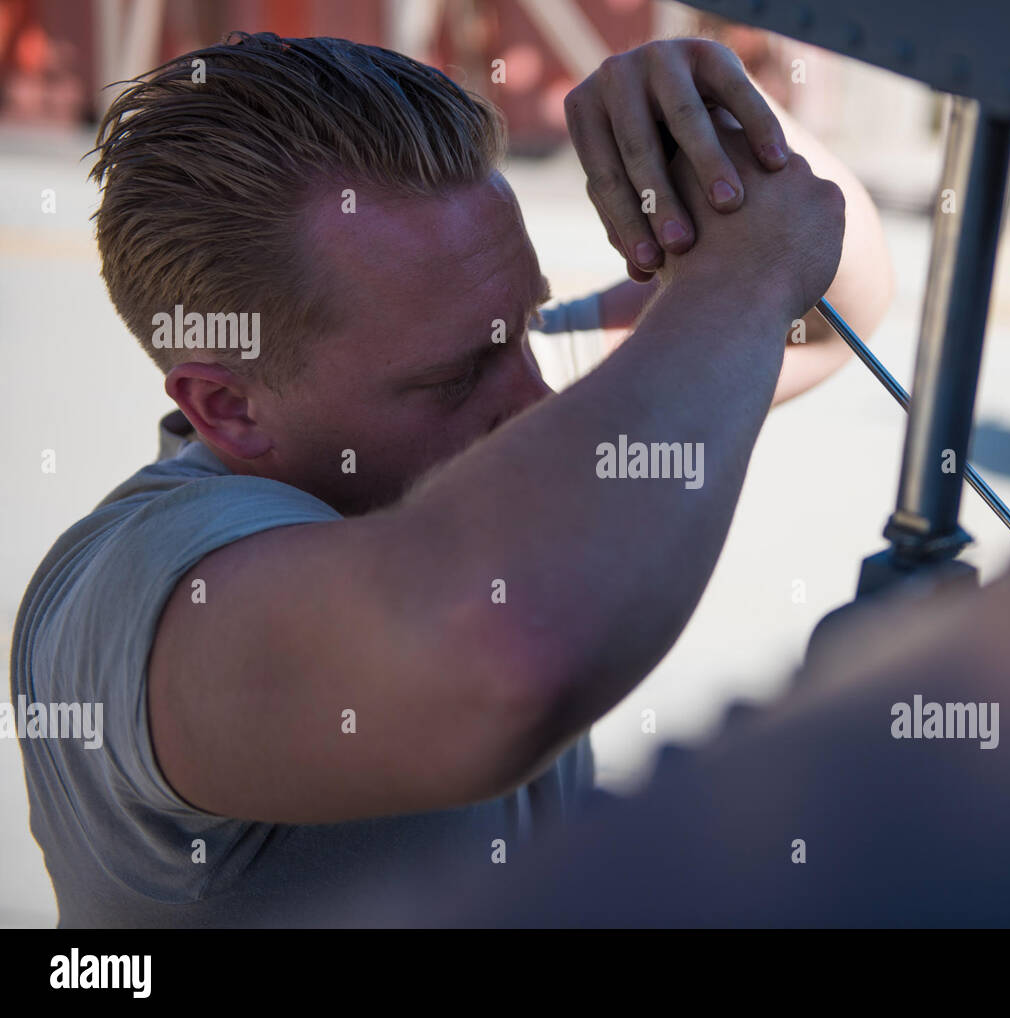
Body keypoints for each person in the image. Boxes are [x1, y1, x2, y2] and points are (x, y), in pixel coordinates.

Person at [9, 31, 891, 927]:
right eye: (455, 377)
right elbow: (501, 663)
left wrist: (722, 121)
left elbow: (824, 312)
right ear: (226, 406)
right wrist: (738, 282)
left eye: (525, 323)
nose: (539, 396)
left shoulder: (477, 378)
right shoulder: (127, 593)